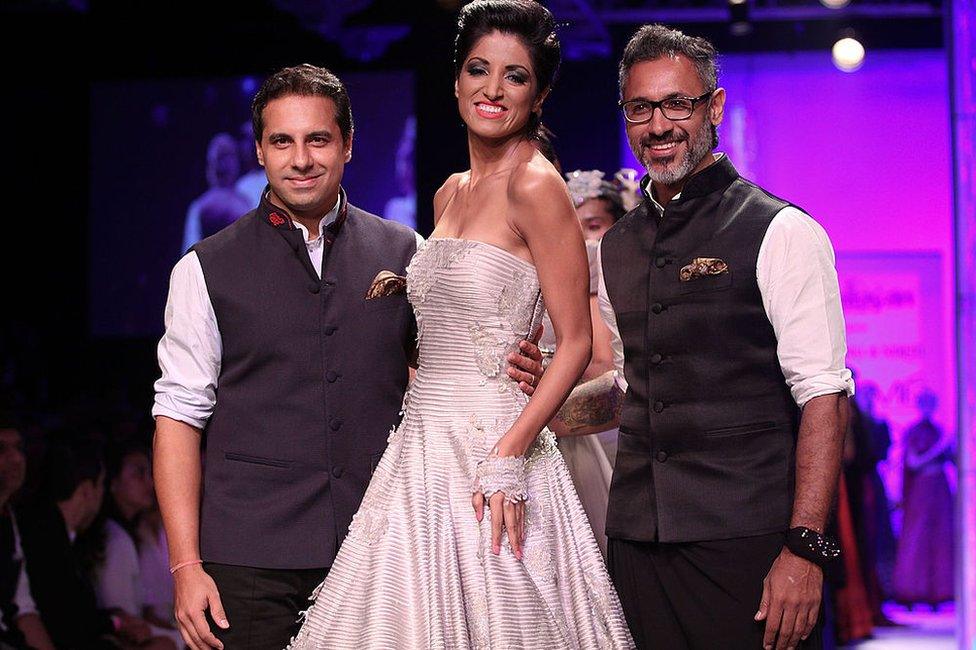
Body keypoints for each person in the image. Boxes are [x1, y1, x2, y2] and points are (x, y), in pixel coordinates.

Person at [152, 63, 545, 650]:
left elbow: (441, 373)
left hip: (382, 547)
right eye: (282, 141)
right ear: (260, 151)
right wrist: (185, 568)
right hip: (252, 562)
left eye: (318, 139)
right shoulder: (204, 269)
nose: (301, 158)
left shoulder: (405, 249)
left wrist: (514, 370)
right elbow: (178, 419)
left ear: (348, 145)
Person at [289, 1, 633, 647]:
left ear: (540, 94)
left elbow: (577, 341)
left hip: (497, 445)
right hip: (422, 448)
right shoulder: (450, 191)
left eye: (515, 76)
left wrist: (508, 452)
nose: (493, 89)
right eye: (479, 69)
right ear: (455, 80)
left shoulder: (537, 187)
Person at [553, 24, 854, 650]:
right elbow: (635, 391)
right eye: (641, 108)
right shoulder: (616, 245)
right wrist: (543, 404)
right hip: (637, 542)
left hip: (748, 545)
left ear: (713, 108)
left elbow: (823, 396)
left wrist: (805, 547)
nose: (659, 125)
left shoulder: (782, 231)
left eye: (676, 104)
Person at [18, 440, 166, 649]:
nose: (150, 482)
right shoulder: (52, 540)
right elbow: (65, 619)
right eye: (138, 473)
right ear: (88, 490)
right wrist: (115, 622)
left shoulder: (61, 536)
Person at [91, 443, 182, 647]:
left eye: (149, 473)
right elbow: (124, 618)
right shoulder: (115, 538)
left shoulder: (134, 533)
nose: (150, 482)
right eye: (138, 473)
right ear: (112, 483)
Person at [892, 389, 954, 606]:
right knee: (917, 538)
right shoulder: (915, 432)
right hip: (922, 490)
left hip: (940, 489)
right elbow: (913, 463)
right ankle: (913, 590)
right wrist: (940, 448)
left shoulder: (938, 430)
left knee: (941, 538)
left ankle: (939, 592)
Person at [0, 418, 54, 650]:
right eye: (1, 449)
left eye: (18, 448)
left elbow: (22, 608)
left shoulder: (8, 518)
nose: (16, 459)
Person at [181, 133, 252, 251]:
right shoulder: (199, 207)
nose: (223, 165)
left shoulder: (248, 203)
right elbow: (189, 252)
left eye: (227, 157)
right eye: (218, 159)